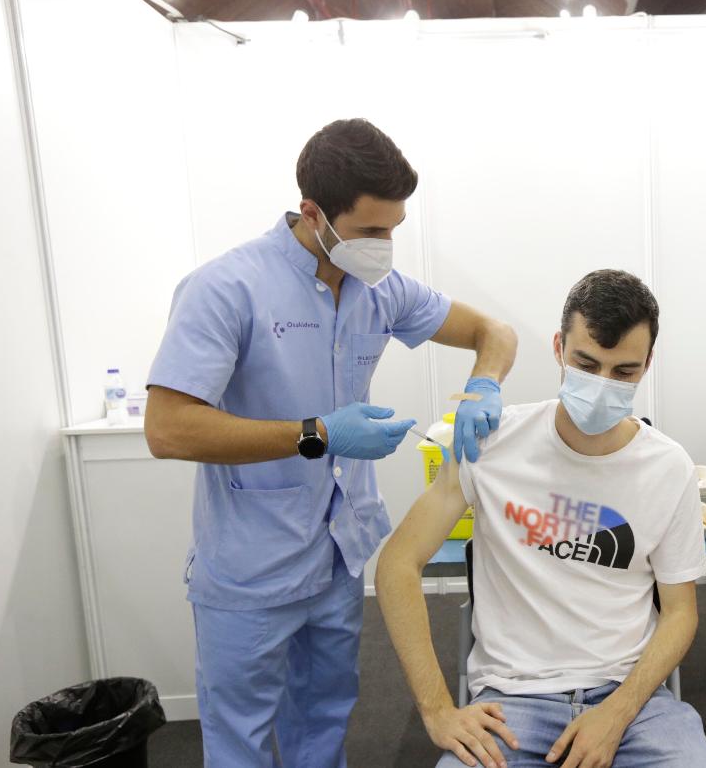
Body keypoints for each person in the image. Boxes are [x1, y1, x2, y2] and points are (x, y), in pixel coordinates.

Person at [143, 118, 518, 766]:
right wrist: (315, 435)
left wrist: (485, 385)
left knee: (323, 725)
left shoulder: (380, 289)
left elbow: (494, 330)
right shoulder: (226, 289)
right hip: (249, 570)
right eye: (372, 231)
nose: (386, 246)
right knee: (242, 744)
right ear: (313, 213)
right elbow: (168, 427)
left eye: (395, 229)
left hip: (338, 558)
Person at [376, 270, 706, 768]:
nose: (603, 385)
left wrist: (618, 713)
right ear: (560, 348)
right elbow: (397, 565)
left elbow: (679, 612)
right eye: (586, 364)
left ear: (647, 365)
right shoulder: (491, 443)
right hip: (512, 701)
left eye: (624, 372)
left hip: (632, 701)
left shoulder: (668, 468)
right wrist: (437, 710)